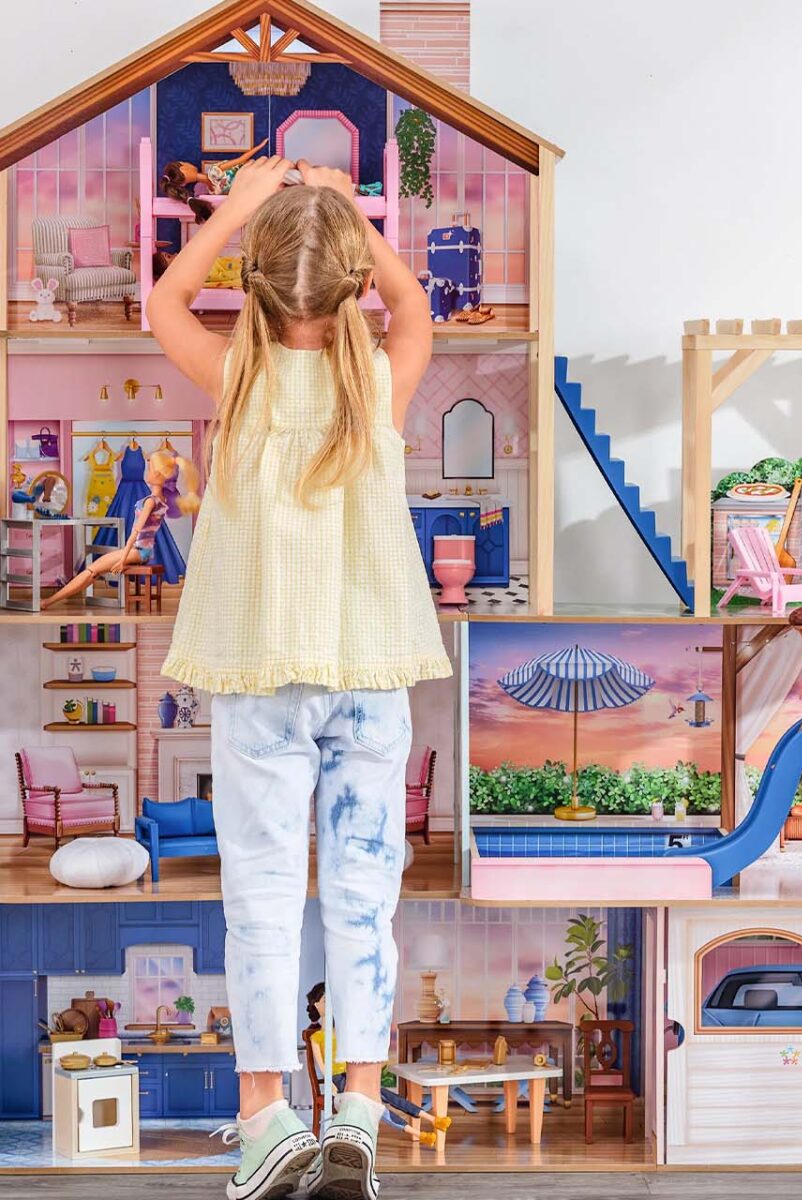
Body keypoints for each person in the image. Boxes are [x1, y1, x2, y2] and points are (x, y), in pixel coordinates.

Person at [149, 152, 447, 1200]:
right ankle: (359, 1108)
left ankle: (266, 1120)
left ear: (259, 285)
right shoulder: (384, 376)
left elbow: (164, 299)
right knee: (368, 903)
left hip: (261, 676)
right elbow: (414, 305)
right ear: (358, 280)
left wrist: (237, 207)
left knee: (263, 901)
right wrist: (362, 224)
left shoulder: (237, 373)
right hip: (370, 679)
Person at [41, 449, 199, 609]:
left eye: (150, 469)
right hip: (145, 551)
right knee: (93, 571)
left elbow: (136, 532)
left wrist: (122, 560)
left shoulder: (151, 502)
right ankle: (51, 601)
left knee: (92, 570)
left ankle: (48, 602)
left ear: (158, 475)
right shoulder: (162, 500)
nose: (146, 472)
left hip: (139, 550)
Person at [305, 982, 450, 1148]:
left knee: (387, 1095)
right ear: (316, 1005)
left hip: (353, 1074)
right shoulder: (316, 1037)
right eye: (325, 1001)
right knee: (375, 1104)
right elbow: (322, 1065)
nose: (331, 1005)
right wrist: (330, 1083)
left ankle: (434, 1120)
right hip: (339, 1080)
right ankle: (419, 1134)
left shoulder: (343, 1032)